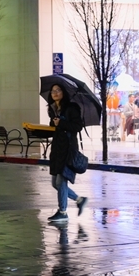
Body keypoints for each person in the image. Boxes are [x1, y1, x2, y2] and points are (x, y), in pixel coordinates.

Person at [47, 84, 87, 221]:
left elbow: (78, 127)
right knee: (55, 183)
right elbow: (54, 127)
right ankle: (79, 200)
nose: (55, 93)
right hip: (57, 148)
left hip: (68, 148)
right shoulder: (53, 109)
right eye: (53, 91)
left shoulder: (71, 108)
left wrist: (61, 123)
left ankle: (63, 212)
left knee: (61, 181)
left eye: (58, 90)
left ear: (63, 92)